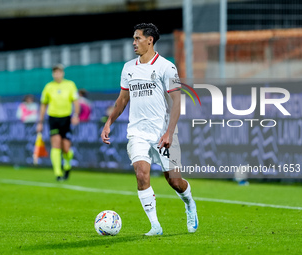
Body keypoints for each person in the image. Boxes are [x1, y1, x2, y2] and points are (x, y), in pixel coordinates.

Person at [101, 23, 198, 236]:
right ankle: (155, 225)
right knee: (141, 174)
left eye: (137, 38)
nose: (134, 42)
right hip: (137, 133)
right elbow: (123, 99)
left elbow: (176, 102)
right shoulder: (128, 68)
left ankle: (190, 203)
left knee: (174, 181)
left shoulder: (166, 67)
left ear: (150, 40)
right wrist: (109, 122)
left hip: (163, 132)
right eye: (134, 38)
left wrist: (169, 132)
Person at [36, 64, 80, 181]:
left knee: (66, 148)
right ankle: (58, 173)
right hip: (53, 118)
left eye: (59, 72)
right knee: (56, 144)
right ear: (53, 74)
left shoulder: (70, 85)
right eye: (55, 72)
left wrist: (75, 115)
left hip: (66, 118)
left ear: (62, 73)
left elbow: (76, 102)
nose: (57, 74)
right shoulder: (49, 87)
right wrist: (40, 122)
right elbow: (43, 105)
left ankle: (67, 164)